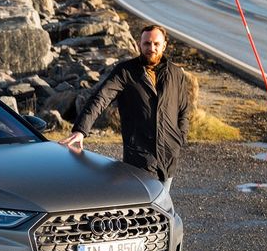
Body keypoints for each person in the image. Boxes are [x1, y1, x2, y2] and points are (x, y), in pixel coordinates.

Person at [60, 23, 191, 188]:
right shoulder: (125, 72)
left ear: (164, 45)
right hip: (139, 157)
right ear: (139, 45)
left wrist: (180, 137)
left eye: (156, 44)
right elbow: (100, 98)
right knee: (142, 206)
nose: (151, 48)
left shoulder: (176, 73)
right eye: (147, 43)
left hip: (169, 154)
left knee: (162, 206)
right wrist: (80, 130)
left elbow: (183, 109)